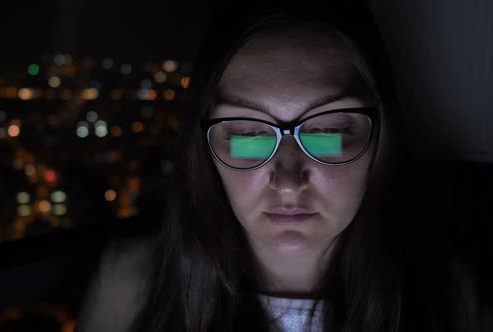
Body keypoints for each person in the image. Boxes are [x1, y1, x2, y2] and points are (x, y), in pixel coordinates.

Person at [76, 1, 483, 331]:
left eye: (329, 130)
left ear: (380, 139)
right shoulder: (128, 286)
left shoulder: (453, 296)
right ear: (203, 147)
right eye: (249, 136)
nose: (288, 182)